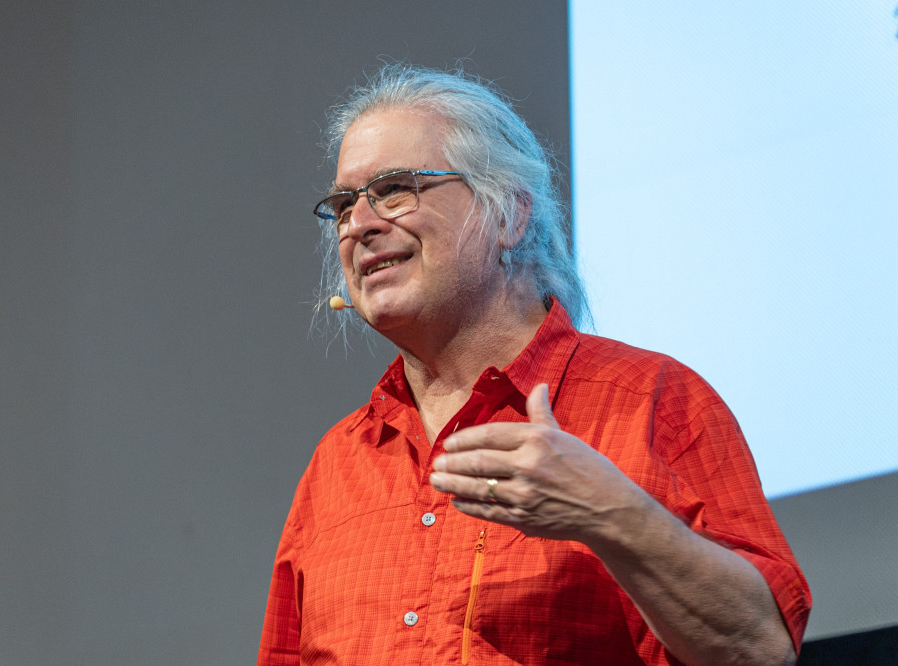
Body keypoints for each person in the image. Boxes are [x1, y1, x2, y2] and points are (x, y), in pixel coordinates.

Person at [258, 65, 811, 665]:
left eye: (395, 188)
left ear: (507, 215)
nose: (360, 224)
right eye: (343, 204)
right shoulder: (337, 464)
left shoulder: (653, 401)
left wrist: (612, 516)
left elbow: (759, 651)